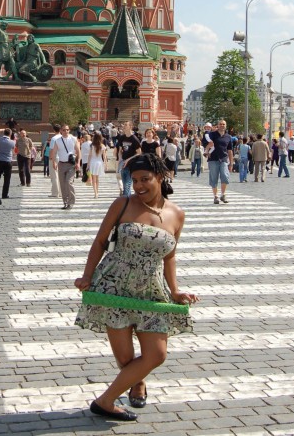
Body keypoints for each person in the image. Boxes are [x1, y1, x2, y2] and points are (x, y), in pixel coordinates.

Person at [74, 153, 198, 422]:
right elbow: (99, 242)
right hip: (114, 285)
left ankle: (106, 400)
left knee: (156, 354)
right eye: (135, 180)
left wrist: (175, 291)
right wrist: (87, 276)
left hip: (152, 288)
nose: (139, 185)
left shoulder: (177, 214)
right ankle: (134, 384)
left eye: (145, 179)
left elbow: (170, 256)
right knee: (126, 356)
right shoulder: (122, 204)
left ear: (161, 177)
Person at [50, 124, 80, 210]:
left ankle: (71, 201)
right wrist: (54, 162)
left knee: (68, 182)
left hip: (71, 164)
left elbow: (78, 151)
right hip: (61, 164)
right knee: (62, 184)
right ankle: (65, 202)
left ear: (69, 130)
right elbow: (54, 152)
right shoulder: (58, 141)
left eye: (67, 130)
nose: (65, 131)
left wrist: (78, 163)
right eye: (64, 130)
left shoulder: (73, 139)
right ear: (61, 131)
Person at [204, 120, 234, 205]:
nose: (222, 125)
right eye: (220, 124)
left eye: (223, 124)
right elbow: (205, 143)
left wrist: (231, 163)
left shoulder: (228, 137)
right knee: (214, 178)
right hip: (213, 159)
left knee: (225, 176)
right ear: (218, 125)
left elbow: (230, 150)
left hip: (224, 159)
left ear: (226, 126)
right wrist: (208, 148)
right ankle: (215, 196)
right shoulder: (212, 135)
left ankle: (223, 194)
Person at [115, 122, 141, 197]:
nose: (124, 126)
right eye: (124, 124)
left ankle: (126, 201)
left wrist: (128, 159)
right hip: (123, 163)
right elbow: (120, 150)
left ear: (130, 127)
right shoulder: (122, 137)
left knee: (127, 185)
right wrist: (120, 158)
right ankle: (129, 201)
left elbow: (139, 153)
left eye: (126, 125)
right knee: (124, 184)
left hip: (131, 164)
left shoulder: (134, 139)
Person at [0, 128, 16, 199]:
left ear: (3, 133)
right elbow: (14, 152)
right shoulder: (12, 142)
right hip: (7, 161)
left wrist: (0, 129)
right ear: (10, 134)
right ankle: (4, 194)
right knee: (7, 179)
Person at [87, 131, 107, 198]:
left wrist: (88, 164)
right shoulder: (102, 146)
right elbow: (104, 156)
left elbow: (89, 156)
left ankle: (95, 193)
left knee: (93, 179)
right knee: (97, 179)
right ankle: (97, 192)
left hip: (93, 162)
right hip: (99, 162)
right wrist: (106, 165)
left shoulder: (92, 146)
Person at [48, 124, 62, 198]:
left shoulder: (54, 138)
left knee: (54, 175)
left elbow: (52, 150)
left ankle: (55, 192)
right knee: (60, 176)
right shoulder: (63, 137)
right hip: (62, 158)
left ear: (53, 130)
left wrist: (51, 158)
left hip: (55, 157)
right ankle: (61, 192)